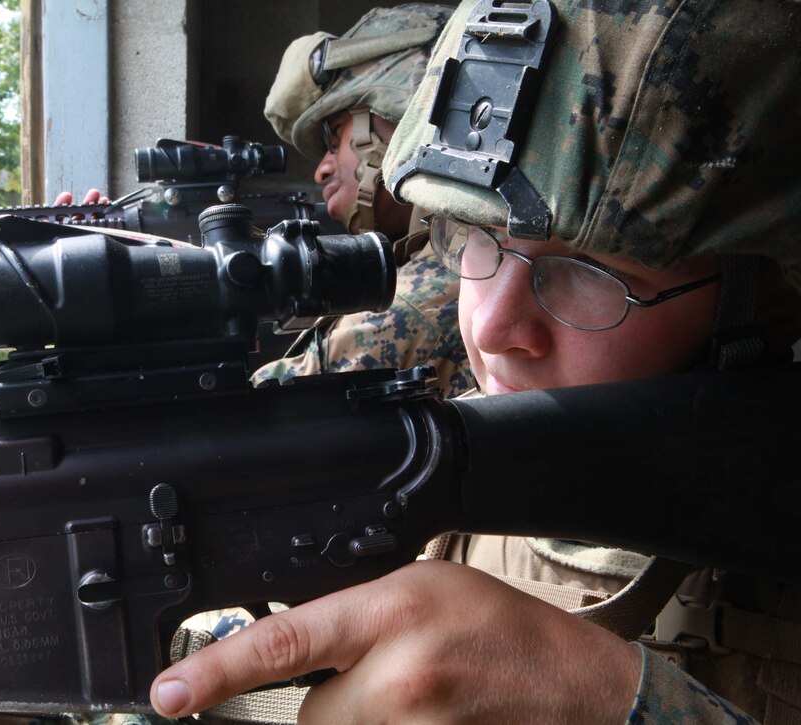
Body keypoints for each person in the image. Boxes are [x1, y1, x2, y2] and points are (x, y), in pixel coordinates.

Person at [147, 0, 801, 722]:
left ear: (768, 292)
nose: (489, 325)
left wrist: (614, 700)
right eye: (470, 233)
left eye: (591, 273)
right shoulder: (452, 482)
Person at [252, 3, 472, 397]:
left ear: (406, 111)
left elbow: (252, 416)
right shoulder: (462, 249)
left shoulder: (423, 300)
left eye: (335, 138)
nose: (321, 170)